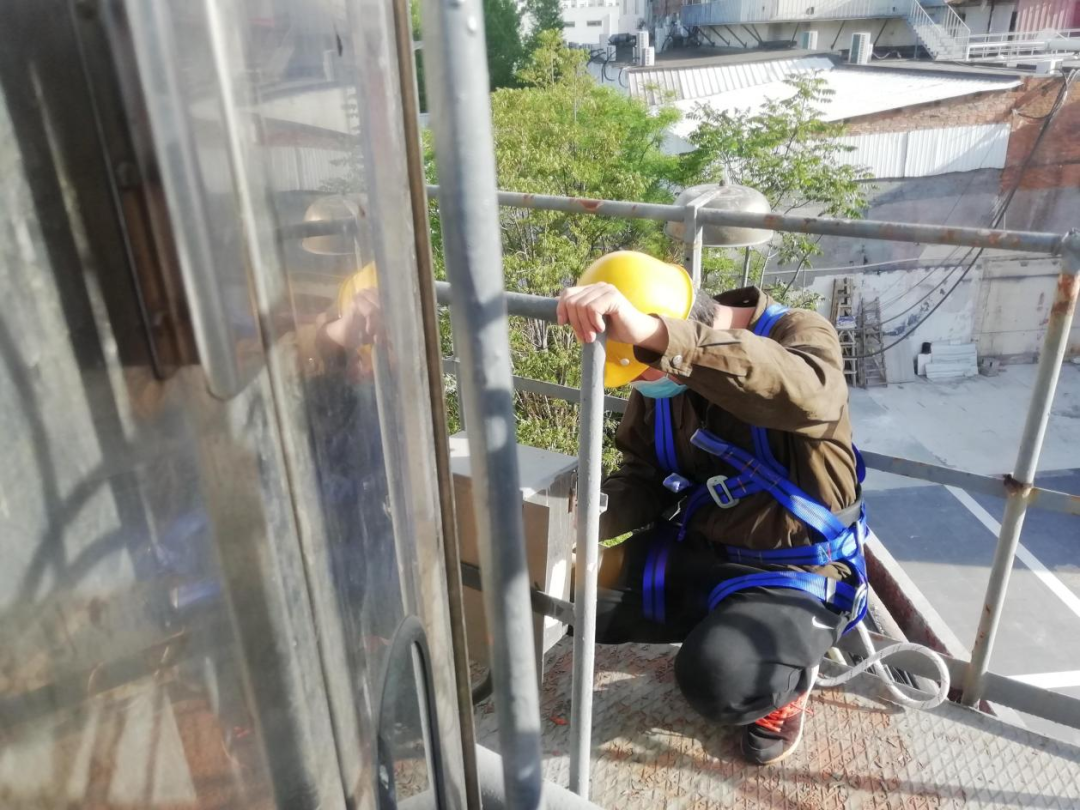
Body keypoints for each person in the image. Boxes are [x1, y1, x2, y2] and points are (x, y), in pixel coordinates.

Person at [558, 251, 868, 766]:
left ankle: (784, 682)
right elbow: (644, 475)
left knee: (719, 679)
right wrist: (580, 520)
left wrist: (664, 340)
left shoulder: (797, 331)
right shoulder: (656, 381)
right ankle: (723, 629)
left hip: (795, 570)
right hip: (702, 553)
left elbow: (810, 395)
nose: (639, 385)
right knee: (560, 594)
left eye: (642, 366)